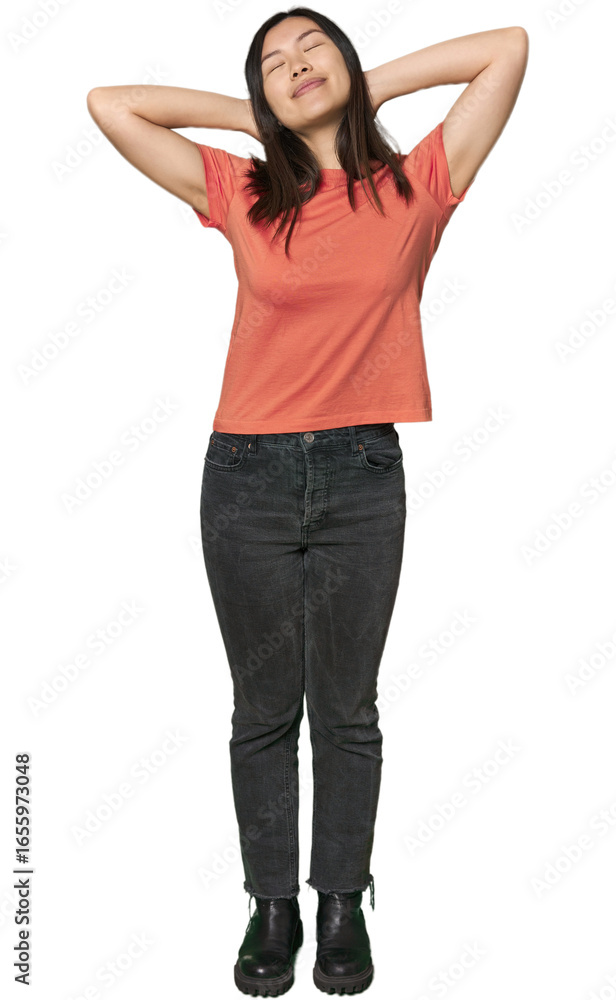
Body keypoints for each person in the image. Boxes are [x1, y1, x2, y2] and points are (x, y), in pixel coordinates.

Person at [87, 8, 528, 995]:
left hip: (362, 475)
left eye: (311, 48)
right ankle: (270, 905)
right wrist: (256, 119)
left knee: (347, 711)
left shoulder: (417, 182)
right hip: (244, 476)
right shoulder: (242, 189)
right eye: (272, 64)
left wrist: (364, 94)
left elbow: (506, 49)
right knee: (261, 711)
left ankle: (340, 904)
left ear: (347, 62)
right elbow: (109, 105)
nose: (294, 66)